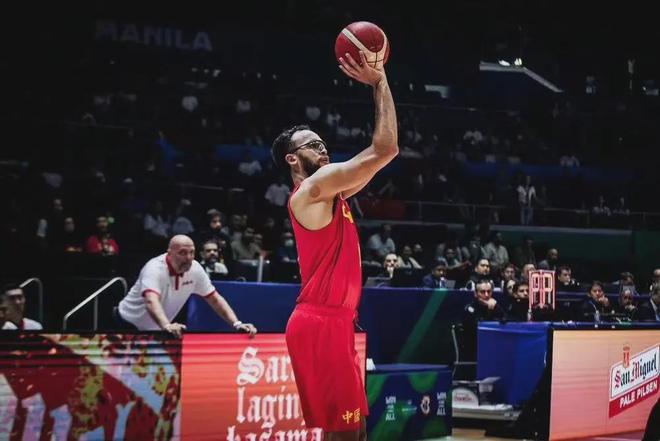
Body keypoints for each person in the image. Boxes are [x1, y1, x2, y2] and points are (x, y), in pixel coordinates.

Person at [271, 49, 397, 440]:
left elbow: (378, 159)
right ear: (292, 160)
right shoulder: (312, 189)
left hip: (337, 323)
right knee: (349, 432)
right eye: (312, 145)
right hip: (319, 323)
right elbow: (385, 149)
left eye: (323, 143)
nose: (323, 148)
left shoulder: (333, 194)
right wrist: (379, 81)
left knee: (349, 429)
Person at [114, 235, 257, 338]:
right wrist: (167, 325)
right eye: (182, 253)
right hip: (126, 323)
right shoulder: (154, 268)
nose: (188, 258)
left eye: (191, 252)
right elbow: (151, 301)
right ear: (170, 253)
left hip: (157, 329)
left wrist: (237, 324)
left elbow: (215, 299)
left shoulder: (195, 269)